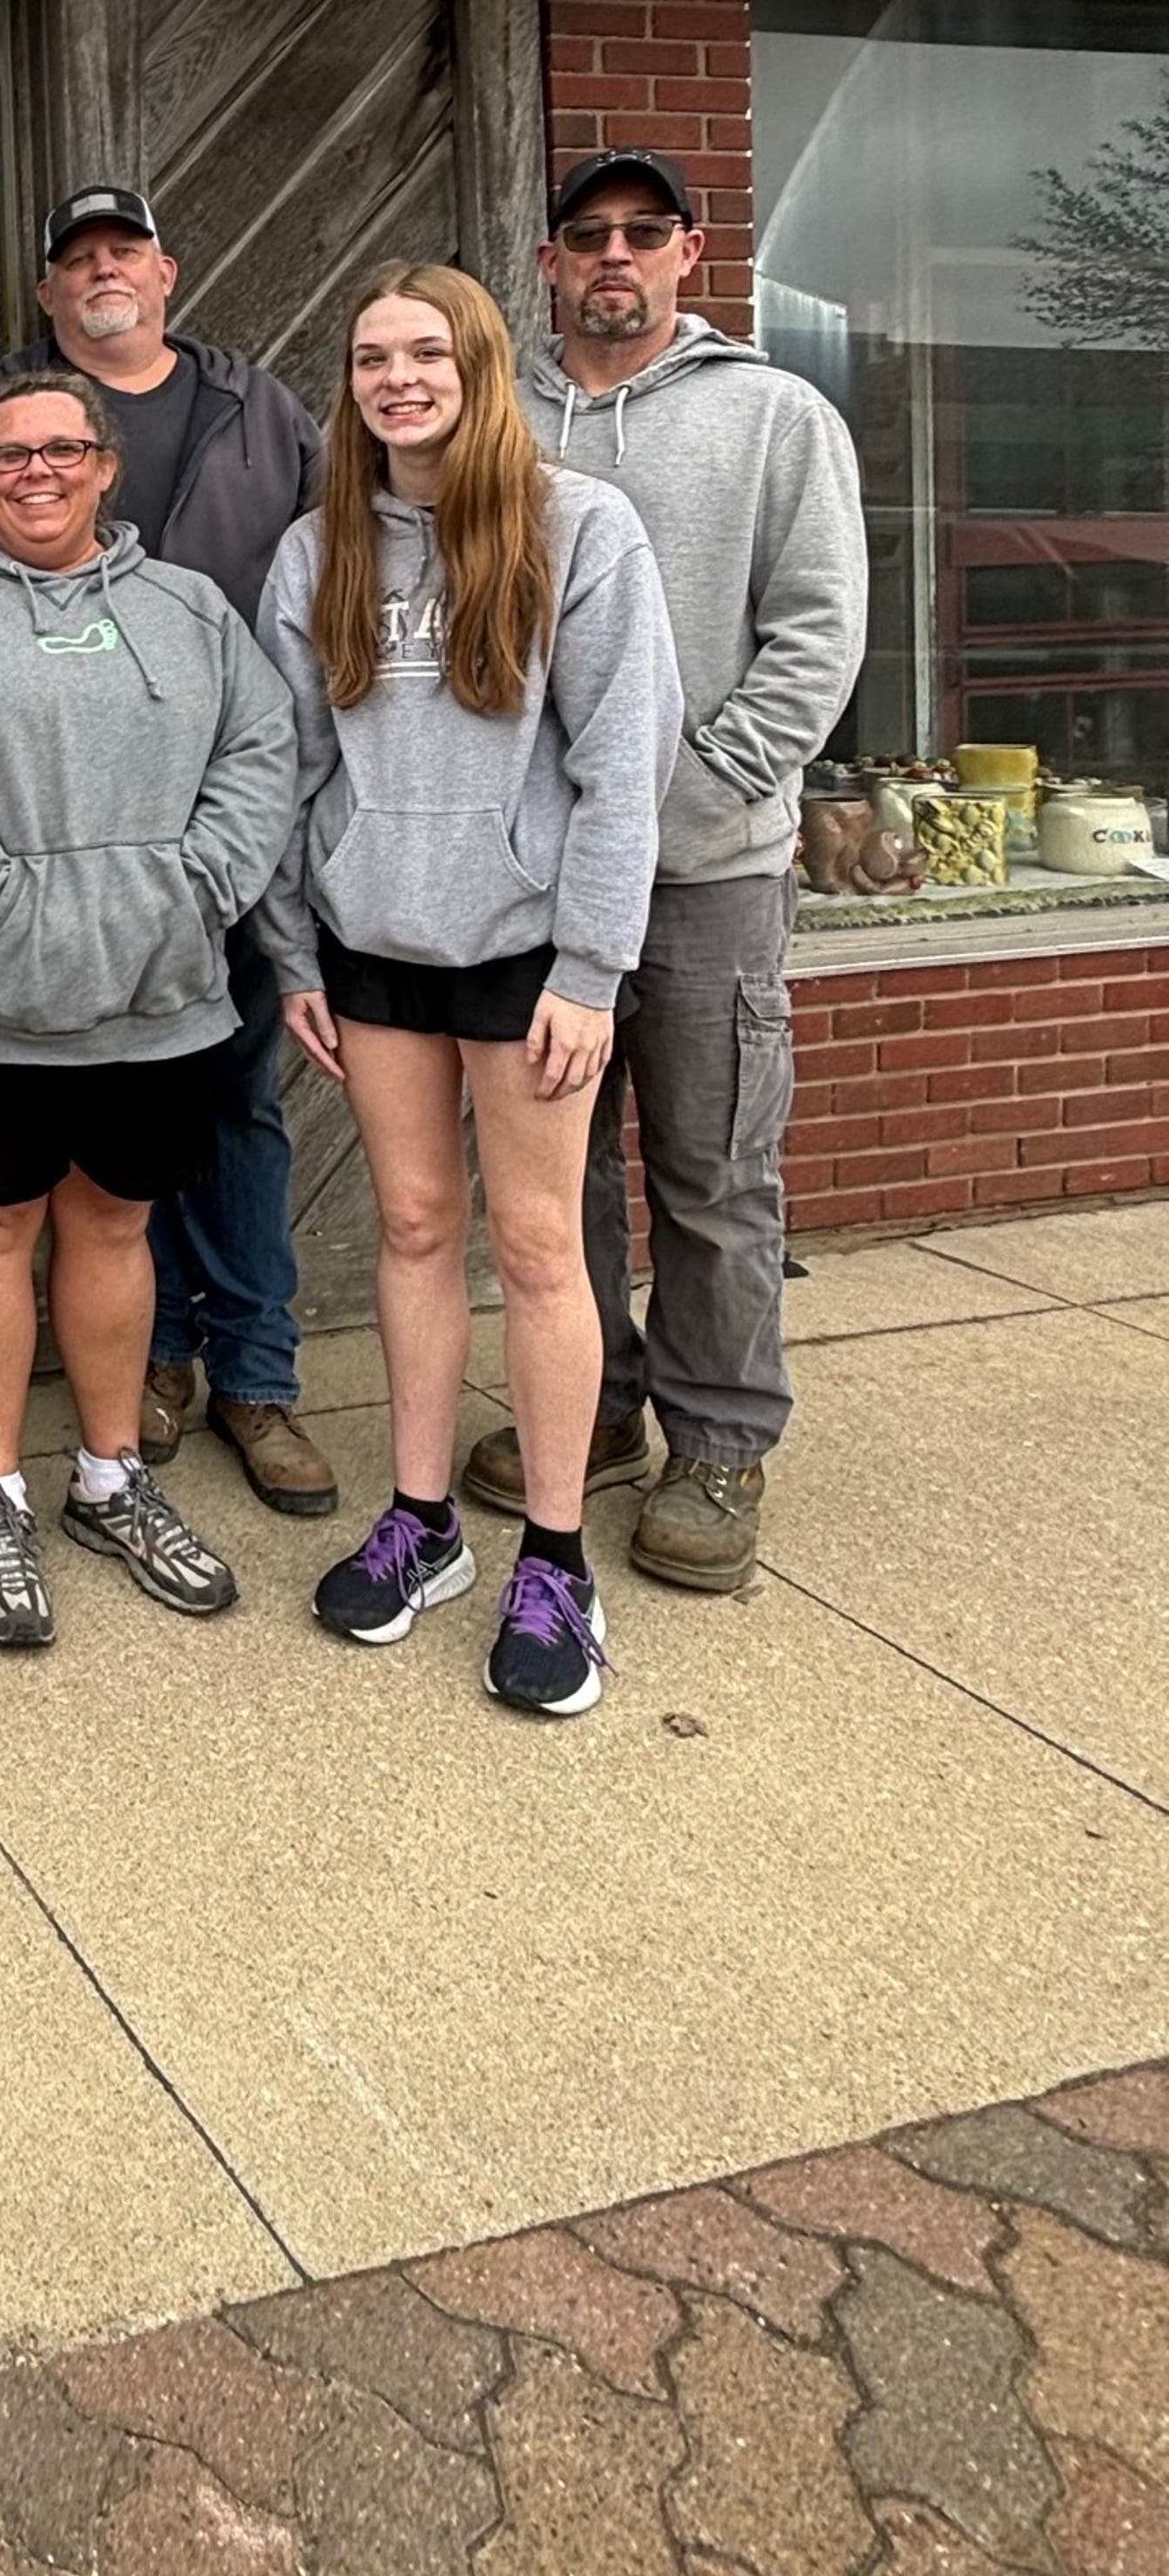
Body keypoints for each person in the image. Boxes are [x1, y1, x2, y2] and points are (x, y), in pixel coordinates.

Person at [259, 265, 684, 1726]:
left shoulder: (583, 532)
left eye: (427, 351)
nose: (399, 378)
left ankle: (556, 1557)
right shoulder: (318, 550)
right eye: (373, 357)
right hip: (373, 948)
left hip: (526, 956)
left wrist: (592, 969)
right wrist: (292, 952)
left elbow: (626, 770)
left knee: (540, 1245)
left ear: (481, 365)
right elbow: (290, 770)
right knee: (416, 1227)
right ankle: (425, 1521)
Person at [0, 375, 295, 1653]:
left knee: (113, 1226)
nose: (35, 471)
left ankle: (108, 1479)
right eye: (8, 455)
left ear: (106, 466)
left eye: (61, 450)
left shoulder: (187, 608)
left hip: (156, 996)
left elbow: (263, 754)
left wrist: (197, 887)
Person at [483, 152, 866, 1594]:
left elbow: (817, 640)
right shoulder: (498, 420)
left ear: (691, 254)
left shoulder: (775, 417)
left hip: (708, 873)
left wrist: (680, 794)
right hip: (536, 881)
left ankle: (720, 1438)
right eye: (589, 239)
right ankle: (601, 1406)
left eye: (644, 236)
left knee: (710, 1174)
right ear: (548, 260)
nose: (615, 261)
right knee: (556, 1174)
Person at [0, 188, 330, 1518]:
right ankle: (148, 1373)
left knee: (240, 1113)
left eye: (124, 254)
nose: (102, 275)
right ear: (46, 297)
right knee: (107, 1168)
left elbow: (331, 599)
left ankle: (256, 1374)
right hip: (33, 890)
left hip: (219, 853)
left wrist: (215, 870)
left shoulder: (264, 412)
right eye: (75, 261)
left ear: (168, 270)